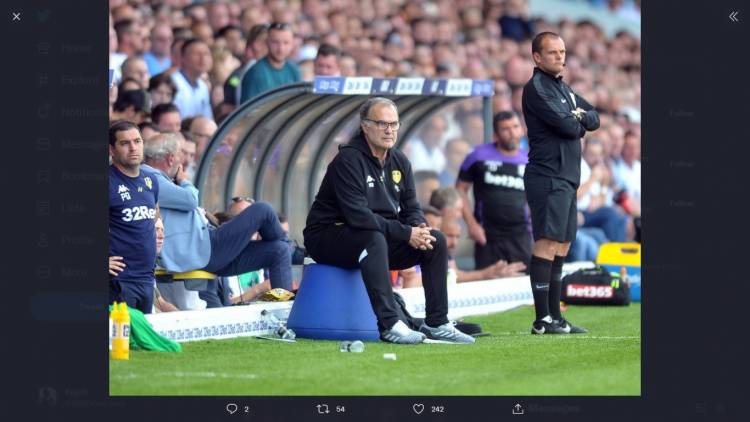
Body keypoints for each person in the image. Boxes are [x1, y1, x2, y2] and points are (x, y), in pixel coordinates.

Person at [303, 97, 474, 344]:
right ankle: (390, 324)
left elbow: (411, 208)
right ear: (365, 126)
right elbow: (357, 216)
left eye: (394, 124)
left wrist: (419, 228)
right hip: (329, 236)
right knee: (372, 238)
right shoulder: (348, 161)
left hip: (376, 237)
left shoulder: (399, 161)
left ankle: (437, 322)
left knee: (435, 240)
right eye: (382, 123)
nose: (389, 130)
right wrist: (406, 234)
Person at [142, 134, 293, 292]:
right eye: (181, 155)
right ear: (171, 158)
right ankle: (291, 247)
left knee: (278, 251)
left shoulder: (158, 178)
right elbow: (190, 199)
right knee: (262, 210)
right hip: (204, 249)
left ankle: (287, 312)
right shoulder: (151, 177)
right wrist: (184, 180)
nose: (183, 163)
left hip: (206, 251)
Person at [522, 32, 600, 334]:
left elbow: (594, 117)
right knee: (547, 242)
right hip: (547, 176)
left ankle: (556, 316)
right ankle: (542, 319)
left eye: (562, 51)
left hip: (567, 178)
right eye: (552, 52)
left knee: (563, 244)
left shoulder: (563, 89)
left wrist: (579, 117)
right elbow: (570, 126)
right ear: (537, 58)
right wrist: (577, 119)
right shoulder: (537, 88)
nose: (559, 56)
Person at [456, 111, 533, 272]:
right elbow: (460, 189)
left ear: (522, 129)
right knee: (487, 283)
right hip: (487, 235)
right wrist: (472, 224)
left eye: (515, 127)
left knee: (523, 284)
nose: (512, 133)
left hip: (521, 235)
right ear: (496, 134)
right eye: (505, 129)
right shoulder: (478, 156)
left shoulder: (529, 160)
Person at [108, 121, 160, 314]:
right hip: (119, 280)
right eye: (125, 143)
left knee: (144, 344)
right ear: (111, 149)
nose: (133, 148)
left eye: (137, 141)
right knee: (121, 341)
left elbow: (153, 212)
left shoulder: (151, 180)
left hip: (146, 277)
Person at [240, 22, 301, 103]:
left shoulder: (294, 69)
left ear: (292, 44)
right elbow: (249, 112)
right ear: (267, 42)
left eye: (286, 43)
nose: (281, 49)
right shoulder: (256, 73)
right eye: (275, 42)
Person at [170, 38, 214, 119]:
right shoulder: (172, 82)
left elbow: (208, 118)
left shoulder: (203, 86)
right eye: (197, 54)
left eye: (206, 54)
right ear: (183, 58)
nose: (203, 58)